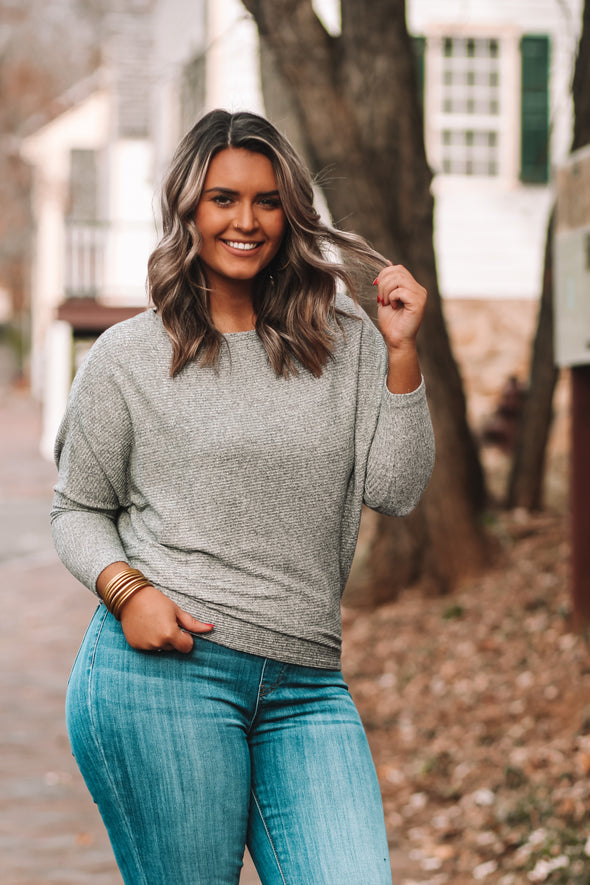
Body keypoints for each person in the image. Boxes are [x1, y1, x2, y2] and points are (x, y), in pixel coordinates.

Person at [52, 109, 435, 885]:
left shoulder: (345, 336)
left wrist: (403, 352)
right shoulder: (127, 357)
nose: (246, 220)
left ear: (290, 211)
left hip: (307, 684)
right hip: (165, 678)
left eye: (266, 200)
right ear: (189, 206)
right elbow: (77, 508)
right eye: (223, 198)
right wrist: (127, 593)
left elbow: (394, 490)